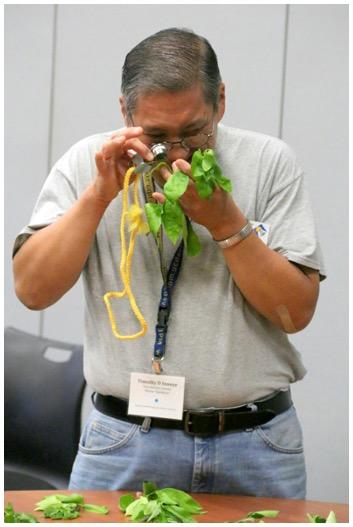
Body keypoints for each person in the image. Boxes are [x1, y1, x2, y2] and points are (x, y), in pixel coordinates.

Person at [13, 27, 325, 497]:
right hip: (123, 436)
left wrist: (227, 224)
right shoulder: (88, 162)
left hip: (255, 439)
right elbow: (32, 291)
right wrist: (99, 195)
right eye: (156, 135)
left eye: (195, 132)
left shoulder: (269, 162)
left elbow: (295, 312)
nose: (177, 152)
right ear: (125, 111)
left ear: (220, 101)